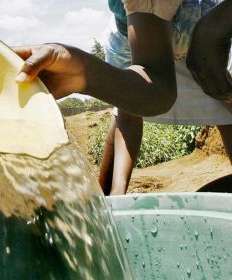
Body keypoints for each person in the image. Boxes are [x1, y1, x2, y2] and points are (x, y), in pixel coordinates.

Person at [14, 0, 232, 195]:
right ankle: (110, 200)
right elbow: (155, 90)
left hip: (199, 31)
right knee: (126, 109)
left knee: (224, 96)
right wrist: (87, 74)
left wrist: (213, 29)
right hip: (135, 39)